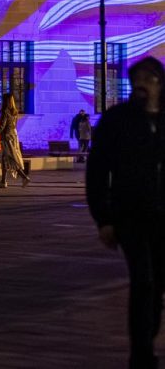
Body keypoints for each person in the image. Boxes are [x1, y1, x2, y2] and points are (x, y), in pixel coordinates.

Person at [87, 57, 165, 369]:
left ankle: (147, 335)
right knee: (143, 281)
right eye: (137, 79)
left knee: (157, 285)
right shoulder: (117, 120)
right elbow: (97, 170)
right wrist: (103, 218)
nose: (142, 84)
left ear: (160, 82)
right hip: (131, 216)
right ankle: (141, 354)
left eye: (150, 78)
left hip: (163, 217)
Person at [0, 94, 31, 187]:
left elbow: (2, 126)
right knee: (5, 158)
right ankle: (3, 181)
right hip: (13, 136)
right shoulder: (15, 112)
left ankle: (24, 177)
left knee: (11, 158)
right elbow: (14, 125)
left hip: (7, 138)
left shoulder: (5, 112)